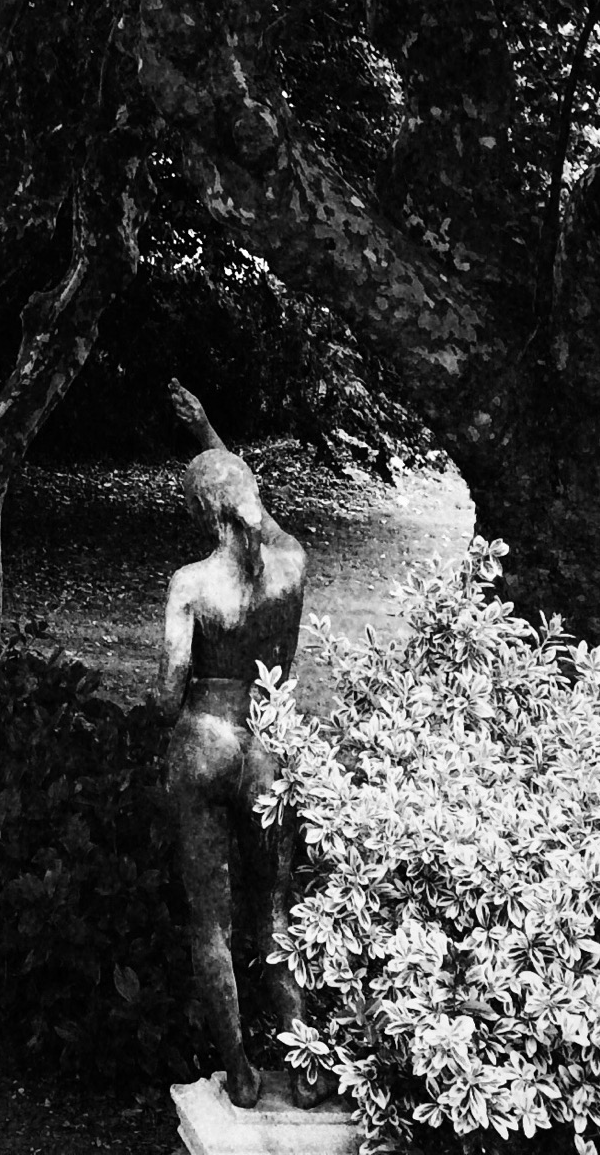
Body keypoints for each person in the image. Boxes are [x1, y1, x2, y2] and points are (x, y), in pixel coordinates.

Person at [156, 381, 331, 1110]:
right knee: (276, 911)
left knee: (212, 921)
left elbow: (168, 691)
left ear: (203, 512)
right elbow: (251, 505)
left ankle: (241, 1070)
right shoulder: (292, 563)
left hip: (204, 741)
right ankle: (307, 1064)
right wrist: (207, 433)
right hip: (267, 743)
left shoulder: (191, 584)